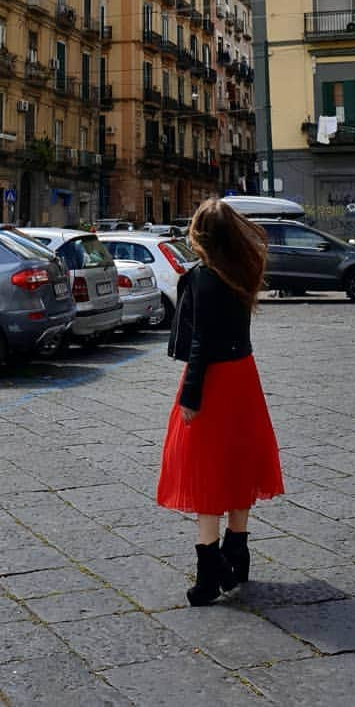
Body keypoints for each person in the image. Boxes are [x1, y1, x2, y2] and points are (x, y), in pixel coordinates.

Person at [156, 197, 284, 605]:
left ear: (201, 236)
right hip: (242, 375)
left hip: (212, 378)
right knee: (239, 462)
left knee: (206, 469)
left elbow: (199, 342)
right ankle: (237, 552)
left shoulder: (203, 278)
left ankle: (209, 571)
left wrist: (191, 394)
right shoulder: (242, 271)